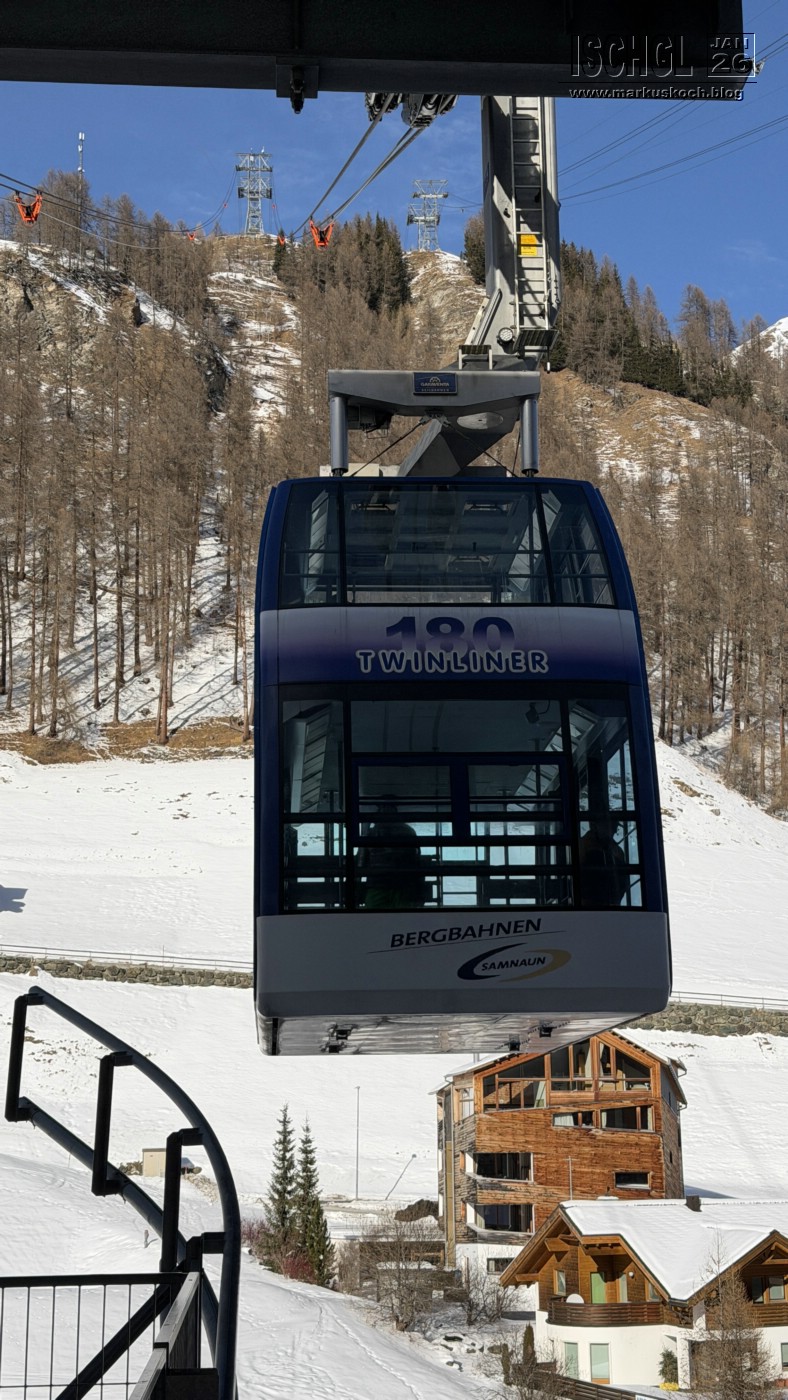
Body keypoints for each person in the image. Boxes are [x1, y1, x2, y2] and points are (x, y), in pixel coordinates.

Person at [358, 803, 429, 911]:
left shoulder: (370, 833)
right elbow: (416, 860)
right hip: (402, 884)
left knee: (374, 917)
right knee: (403, 916)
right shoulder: (408, 831)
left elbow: (361, 862)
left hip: (377, 884)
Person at [579, 814, 628, 907]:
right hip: (589, 903)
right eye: (610, 828)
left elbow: (622, 880)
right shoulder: (585, 845)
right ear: (599, 826)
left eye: (614, 829)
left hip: (606, 902)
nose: (613, 832)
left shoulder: (617, 851)